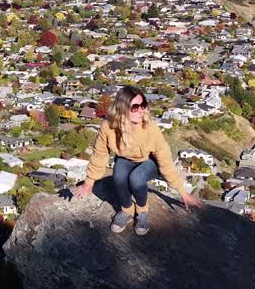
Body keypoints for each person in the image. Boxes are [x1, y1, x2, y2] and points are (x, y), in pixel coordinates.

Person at [73, 85, 202, 235]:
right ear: (122, 108)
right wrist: (89, 183)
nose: (141, 110)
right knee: (119, 178)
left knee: (136, 178)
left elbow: (165, 160)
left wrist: (182, 191)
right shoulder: (108, 127)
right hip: (125, 159)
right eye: (135, 107)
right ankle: (127, 210)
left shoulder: (150, 129)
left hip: (150, 161)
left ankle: (142, 212)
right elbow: (100, 154)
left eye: (143, 105)